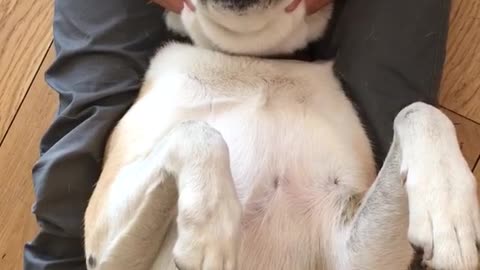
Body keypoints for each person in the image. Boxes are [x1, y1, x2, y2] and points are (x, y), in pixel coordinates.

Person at [23, 0, 451, 269]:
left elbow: (105, 257)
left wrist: (189, 152)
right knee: (405, 121)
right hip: (313, 75)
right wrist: (427, 132)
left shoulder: (167, 85)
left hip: (216, 52)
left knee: (73, 175)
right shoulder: (342, 110)